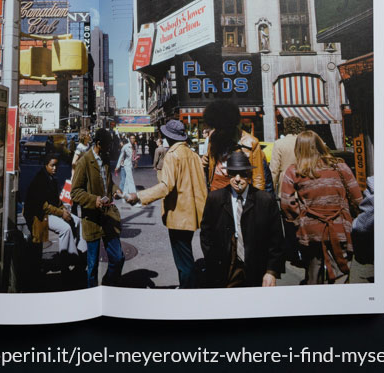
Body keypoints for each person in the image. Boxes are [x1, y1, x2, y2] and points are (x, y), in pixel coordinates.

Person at [127, 120, 207, 288]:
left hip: (178, 215)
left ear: (169, 137)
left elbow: (166, 186)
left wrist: (140, 196)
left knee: (183, 260)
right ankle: (186, 287)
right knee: (186, 255)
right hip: (192, 214)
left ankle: (188, 292)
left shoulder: (172, 155)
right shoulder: (192, 155)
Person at [279, 131, 363, 284]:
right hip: (340, 227)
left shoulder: (294, 170)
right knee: (341, 273)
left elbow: (286, 203)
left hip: (310, 231)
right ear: (320, 145)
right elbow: (357, 197)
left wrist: (300, 220)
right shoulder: (339, 166)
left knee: (313, 273)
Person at [200, 152, 284, 287]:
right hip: (225, 269)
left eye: (242, 174)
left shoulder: (265, 200)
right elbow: (206, 234)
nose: (237, 179)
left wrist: (271, 271)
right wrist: (213, 262)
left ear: (249, 174)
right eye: (233, 174)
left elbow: (276, 240)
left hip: (256, 268)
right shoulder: (215, 199)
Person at [70, 128, 125, 287]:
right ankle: (92, 294)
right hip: (92, 219)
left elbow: (108, 183)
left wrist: (115, 190)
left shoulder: (106, 158)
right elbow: (75, 192)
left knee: (117, 257)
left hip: (108, 217)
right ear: (99, 143)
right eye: (108, 144)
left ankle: (108, 284)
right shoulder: (84, 161)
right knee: (92, 265)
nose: (110, 148)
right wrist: (94, 200)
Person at [23, 154, 87, 277]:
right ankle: (66, 263)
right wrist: (61, 213)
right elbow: (44, 206)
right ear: (46, 165)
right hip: (39, 215)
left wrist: (64, 210)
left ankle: (82, 254)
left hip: (51, 212)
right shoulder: (40, 180)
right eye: (52, 165)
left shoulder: (52, 178)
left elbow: (56, 201)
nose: (55, 168)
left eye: (56, 165)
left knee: (78, 221)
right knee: (65, 229)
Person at [200, 99, 265, 192]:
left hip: (240, 189)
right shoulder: (214, 138)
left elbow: (258, 177)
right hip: (216, 189)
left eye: (222, 128)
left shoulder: (251, 142)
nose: (219, 131)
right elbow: (206, 161)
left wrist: (257, 200)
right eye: (217, 127)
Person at [269, 116, 306, 194]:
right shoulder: (305, 142)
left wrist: (271, 190)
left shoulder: (279, 143)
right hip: (304, 181)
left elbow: (274, 170)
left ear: (285, 127)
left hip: (285, 183)